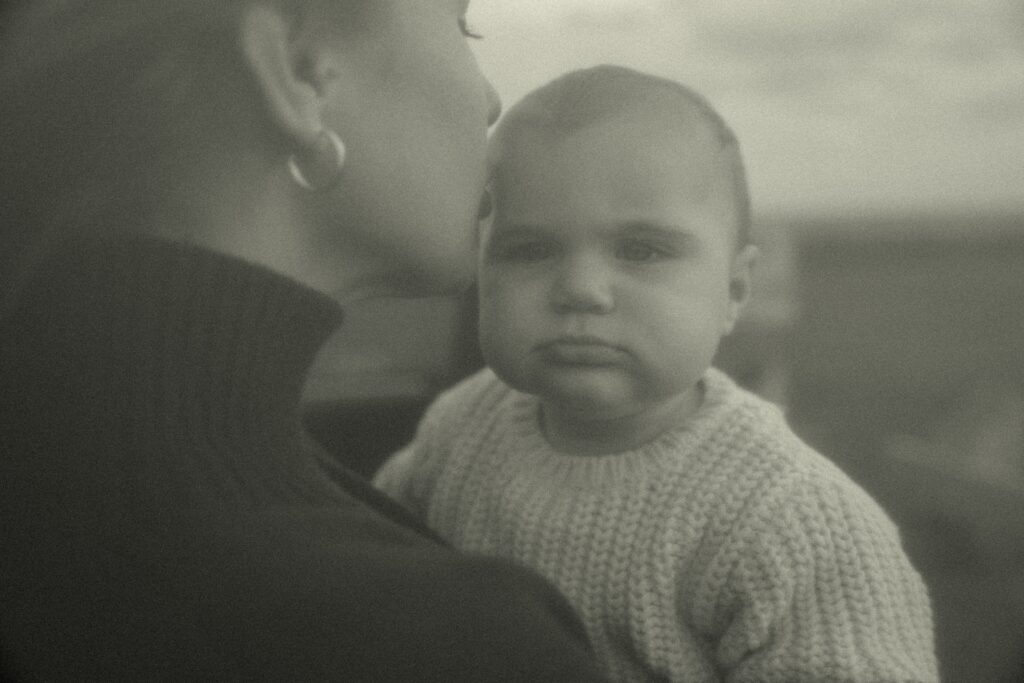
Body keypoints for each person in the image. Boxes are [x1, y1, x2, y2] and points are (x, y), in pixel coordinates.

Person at [0, 2, 610, 680]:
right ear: (298, 68)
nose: (492, 100)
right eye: (460, 24)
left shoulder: (52, 463)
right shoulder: (452, 645)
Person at [374, 65, 939, 682]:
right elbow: (373, 582)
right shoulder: (459, 429)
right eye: (529, 249)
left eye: (641, 250)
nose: (580, 289)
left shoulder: (792, 522)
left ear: (734, 291)